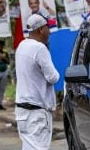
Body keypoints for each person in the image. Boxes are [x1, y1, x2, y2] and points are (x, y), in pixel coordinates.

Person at [15, 14, 60, 150]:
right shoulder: (40, 48)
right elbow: (53, 77)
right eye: (48, 27)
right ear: (41, 29)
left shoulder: (21, 46)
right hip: (36, 113)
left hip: (22, 112)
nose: (50, 32)